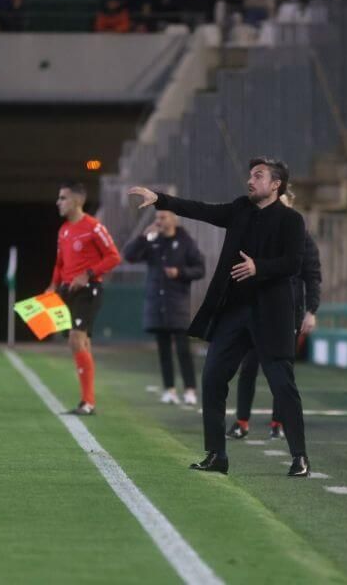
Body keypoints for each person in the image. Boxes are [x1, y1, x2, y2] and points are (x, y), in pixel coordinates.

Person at [128, 156, 311, 477]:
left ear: (275, 184)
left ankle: (300, 457)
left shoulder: (291, 220)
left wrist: (259, 267)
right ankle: (216, 455)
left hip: (271, 315)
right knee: (212, 378)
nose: (250, 180)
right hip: (234, 313)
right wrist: (160, 199)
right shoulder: (240, 209)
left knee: (282, 385)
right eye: (250, 175)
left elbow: (294, 263)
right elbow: (201, 209)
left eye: (258, 176)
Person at [227, 189, 321, 440]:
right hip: (256, 310)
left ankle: (278, 423)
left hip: (287, 313)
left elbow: (312, 276)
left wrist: (311, 310)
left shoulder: (302, 239)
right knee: (248, 366)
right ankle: (241, 421)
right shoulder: (256, 235)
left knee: (281, 370)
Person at [46, 183, 121, 415]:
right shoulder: (64, 230)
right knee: (81, 342)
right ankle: (88, 402)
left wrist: (88, 274)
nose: (58, 202)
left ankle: (88, 403)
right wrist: (52, 286)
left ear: (77, 201)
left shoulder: (94, 227)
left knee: (76, 339)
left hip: (89, 290)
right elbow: (60, 263)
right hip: (67, 291)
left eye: (63, 198)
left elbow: (114, 257)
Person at [123, 210, 205, 406]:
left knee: (183, 349)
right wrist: (143, 236)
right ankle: (169, 389)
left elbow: (200, 269)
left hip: (178, 304)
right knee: (163, 350)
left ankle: (190, 389)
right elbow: (129, 256)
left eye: (163, 217)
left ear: (174, 219)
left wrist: (180, 272)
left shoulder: (186, 242)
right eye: (157, 217)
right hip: (157, 305)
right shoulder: (153, 241)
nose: (159, 221)